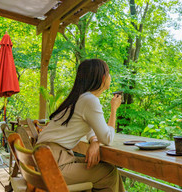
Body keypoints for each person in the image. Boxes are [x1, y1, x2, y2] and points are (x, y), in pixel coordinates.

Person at [37, 59, 125, 192]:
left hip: (47, 159)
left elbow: (88, 127)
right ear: (102, 78)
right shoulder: (90, 101)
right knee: (109, 173)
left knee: (106, 169)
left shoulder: (79, 98)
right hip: (54, 163)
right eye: (108, 73)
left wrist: (94, 141)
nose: (110, 76)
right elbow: (107, 138)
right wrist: (114, 110)